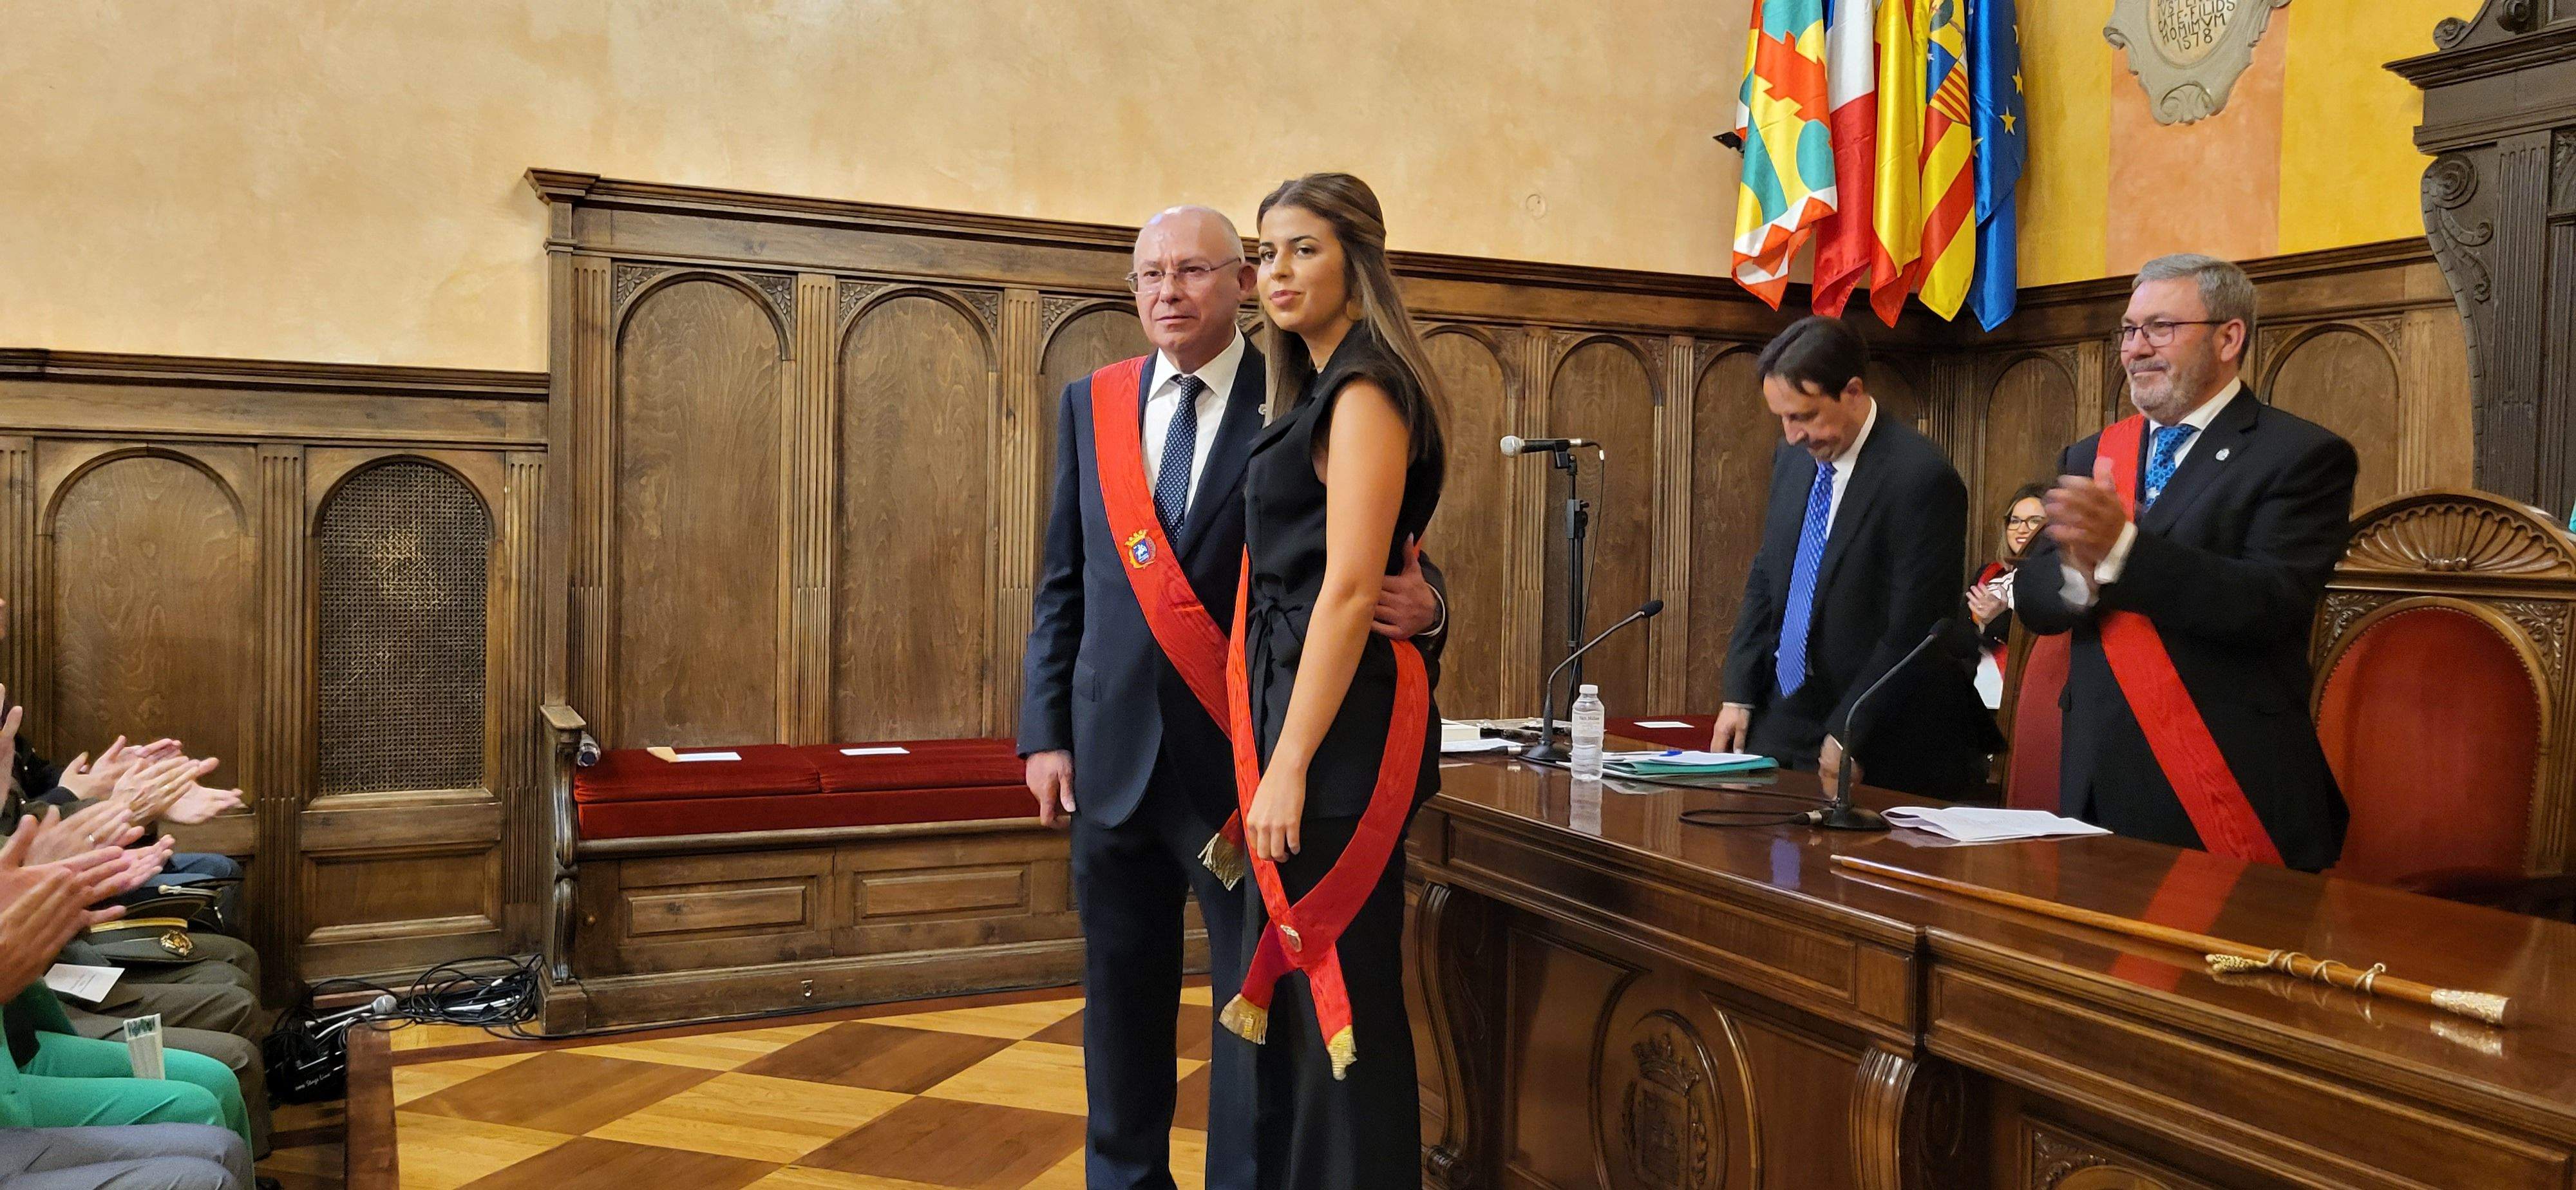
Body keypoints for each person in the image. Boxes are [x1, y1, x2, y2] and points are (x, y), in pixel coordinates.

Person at [1018, 205, 1444, 1190]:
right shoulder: (1094, 400)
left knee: (1256, 1010)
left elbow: (1364, 556)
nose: (1167, 293)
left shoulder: (1297, 385)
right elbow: (1062, 582)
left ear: (1240, 286)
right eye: (1149, 276)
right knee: (1120, 999)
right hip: (1110, 750)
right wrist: (1044, 732)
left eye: (1194, 272)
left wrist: (1429, 605)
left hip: (1245, 759)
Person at [1217, 172, 1444, 1190]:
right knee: (1313, 1009)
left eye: (1303, 248)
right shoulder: (1313, 386)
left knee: (1341, 990)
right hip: (1296, 707)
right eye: (1265, 253)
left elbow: (1350, 589)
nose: (1276, 272)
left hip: (1338, 735)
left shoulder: (1363, 386)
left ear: (1358, 258)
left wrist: (1290, 766)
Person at [2016, 253, 2356, 871]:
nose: (2136, 348)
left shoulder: (2302, 456)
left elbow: (2268, 604)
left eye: (2160, 328)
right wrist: (2078, 574)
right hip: (2096, 775)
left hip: (2223, 777)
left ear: (2230, 338)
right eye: (2128, 329)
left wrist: (2120, 550)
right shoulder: (2095, 452)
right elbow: (2039, 599)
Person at [1709, 316, 1996, 798]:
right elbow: (1768, 575)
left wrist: (1850, 729)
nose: (1793, 434)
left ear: (1853, 391)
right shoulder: (1792, 459)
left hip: (1882, 725)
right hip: (1788, 713)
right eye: (1782, 418)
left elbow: (1915, 628)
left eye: (1805, 416)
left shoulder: (1920, 477)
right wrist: (1739, 690)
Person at [1967, 483, 2049, 709]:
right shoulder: (1989, 574)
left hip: (2027, 696)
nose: (2022, 529)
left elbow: (2037, 640)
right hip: (1977, 695)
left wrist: (1995, 622)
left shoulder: (2053, 579)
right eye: (2015, 521)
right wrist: (1981, 626)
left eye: (2034, 521)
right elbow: (1959, 633)